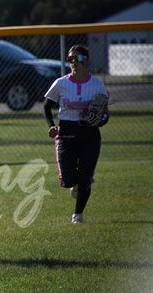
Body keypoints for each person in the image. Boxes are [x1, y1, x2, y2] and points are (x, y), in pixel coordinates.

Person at [43, 44, 109, 224]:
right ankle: (76, 184)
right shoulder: (61, 83)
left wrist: (99, 120)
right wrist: (51, 125)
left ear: (86, 60)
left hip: (89, 134)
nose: (74, 61)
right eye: (70, 59)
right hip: (66, 133)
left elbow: (105, 115)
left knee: (85, 177)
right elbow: (47, 106)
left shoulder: (97, 85)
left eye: (78, 58)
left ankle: (78, 215)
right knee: (69, 178)